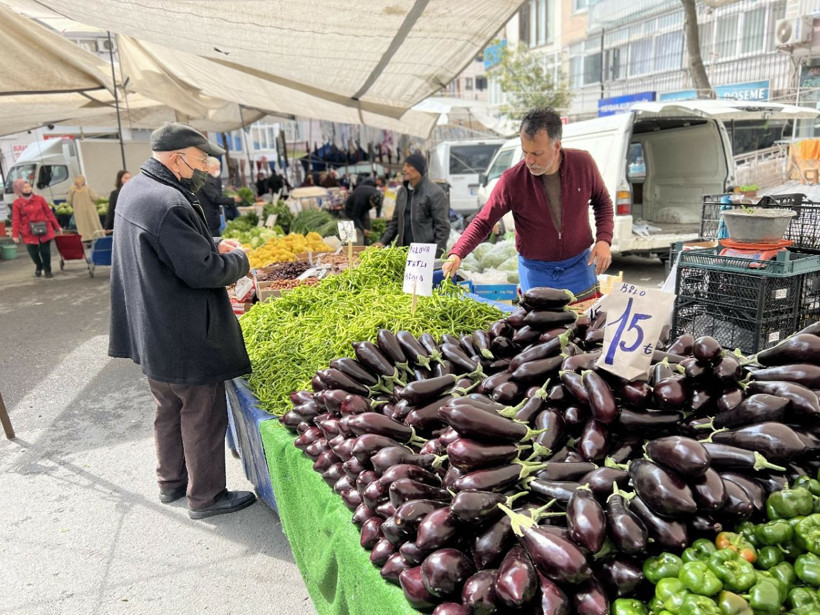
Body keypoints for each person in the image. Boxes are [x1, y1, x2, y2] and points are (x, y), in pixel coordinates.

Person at [108, 122, 256, 520]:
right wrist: (239, 260)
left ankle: (170, 482)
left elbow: (164, 246)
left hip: (152, 327)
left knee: (168, 407)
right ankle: (207, 497)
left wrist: (210, 242)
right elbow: (204, 272)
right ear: (176, 158)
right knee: (202, 412)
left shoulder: (135, 190)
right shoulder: (169, 202)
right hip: (184, 330)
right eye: (199, 160)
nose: (203, 168)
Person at [442, 107, 613, 300]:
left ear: (556, 146)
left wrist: (603, 240)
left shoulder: (583, 164)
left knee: (585, 325)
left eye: (537, 153)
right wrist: (457, 253)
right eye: (525, 152)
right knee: (539, 327)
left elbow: (602, 202)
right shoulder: (512, 180)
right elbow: (483, 221)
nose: (529, 160)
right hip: (535, 272)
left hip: (579, 267)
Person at [374, 153, 450, 258]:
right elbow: (395, 222)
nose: (404, 169)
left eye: (409, 166)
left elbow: (443, 227)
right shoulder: (402, 192)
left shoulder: (435, 193)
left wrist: (437, 256)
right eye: (404, 165)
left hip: (425, 254)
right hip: (403, 253)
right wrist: (383, 242)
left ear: (419, 169)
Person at [11, 180, 62, 278]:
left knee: (45, 251)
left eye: (29, 187)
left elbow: (49, 213)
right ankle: (39, 265)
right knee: (33, 252)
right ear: (19, 189)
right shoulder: (17, 203)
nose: (28, 189)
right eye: (24, 187)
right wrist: (15, 234)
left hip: (44, 228)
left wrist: (57, 226)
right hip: (28, 230)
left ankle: (47, 269)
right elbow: (16, 220)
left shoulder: (40, 199)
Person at [197, 157, 240, 236]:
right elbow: (216, 198)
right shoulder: (206, 181)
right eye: (216, 168)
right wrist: (233, 200)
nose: (218, 170)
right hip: (209, 217)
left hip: (210, 217)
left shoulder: (207, 179)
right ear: (209, 168)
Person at [344, 177, 382, 245]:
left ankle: (368, 246)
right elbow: (355, 216)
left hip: (364, 207)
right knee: (348, 232)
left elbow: (379, 206)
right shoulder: (360, 202)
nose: (373, 208)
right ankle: (347, 248)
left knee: (367, 227)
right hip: (351, 209)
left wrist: (378, 216)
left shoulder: (378, 195)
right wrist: (362, 229)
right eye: (373, 205)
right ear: (370, 200)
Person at [67, 175, 103, 241]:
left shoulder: (72, 190)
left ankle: (85, 238)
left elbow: (68, 200)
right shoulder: (88, 189)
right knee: (93, 224)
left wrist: (74, 205)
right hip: (90, 211)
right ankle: (96, 237)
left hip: (78, 212)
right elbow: (95, 198)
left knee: (82, 226)